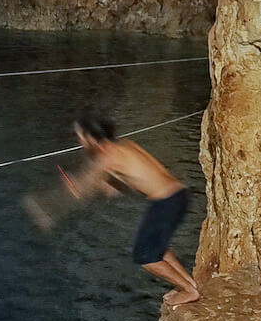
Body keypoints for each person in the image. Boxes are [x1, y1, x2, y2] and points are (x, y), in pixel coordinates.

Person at [70, 115, 199, 306]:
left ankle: (189, 291)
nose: (79, 141)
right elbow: (119, 185)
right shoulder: (124, 146)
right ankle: (188, 284)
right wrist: (103, 186)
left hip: (166, 202)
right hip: (177, 195)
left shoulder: (108, 158)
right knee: (157, 249)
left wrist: (74, 187)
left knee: (145, 256)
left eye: (80, 137)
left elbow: (84, 186)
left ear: (90, 138)